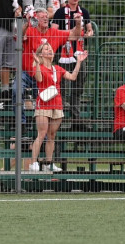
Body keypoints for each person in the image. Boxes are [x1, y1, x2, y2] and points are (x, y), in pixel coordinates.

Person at [28, 41, 86, 172]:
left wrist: (79, 62)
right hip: (43, 104)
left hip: (56, 104)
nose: (49, 50)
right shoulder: (40, 67)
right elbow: (39, 79)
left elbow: (72, 77)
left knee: (52, 135)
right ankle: (33, 162)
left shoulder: (57, 69)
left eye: (50, 48)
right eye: (46, 49)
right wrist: (37, 63)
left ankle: (49, 162)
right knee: (41, 134)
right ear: (41, 53)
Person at [52, 0, 92, 128]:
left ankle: (76, 119)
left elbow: (89, 29)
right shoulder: (60, 12)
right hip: (63, 53)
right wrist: (68, 35)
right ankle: (59, 117)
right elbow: (53, 31)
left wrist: (88, 33)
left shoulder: (84, 12)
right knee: (61, 85)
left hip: (79, 54)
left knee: (78, 86)